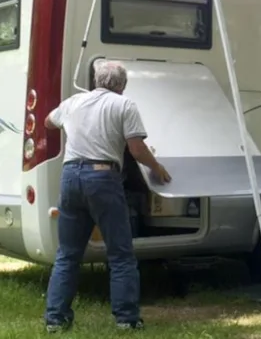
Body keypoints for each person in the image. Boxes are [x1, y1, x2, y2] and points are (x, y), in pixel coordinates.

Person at [43, 60, 172, 333]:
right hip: (103, 177)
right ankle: (126, 318)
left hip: (70, 177)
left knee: (67, 253)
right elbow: (136, 149)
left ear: (96, 81)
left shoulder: (74, 102)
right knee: (121, 254)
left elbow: (47, 122)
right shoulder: (124, 105)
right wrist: (157, 168)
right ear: (122, 86)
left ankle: (55, 319)